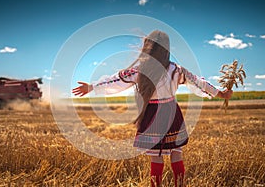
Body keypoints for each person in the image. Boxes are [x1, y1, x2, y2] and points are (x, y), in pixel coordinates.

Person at [72, 30, 233, 187]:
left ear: (147, 47)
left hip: (151, 115)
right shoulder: (176, 70)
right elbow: (199, 83)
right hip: (172, 113)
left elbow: (116, 80)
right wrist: (220, 93)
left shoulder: (140, 70)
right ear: (166, 49)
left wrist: (93, 87)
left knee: (156, 158)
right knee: (176, 153)